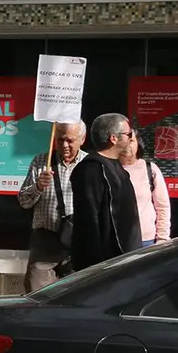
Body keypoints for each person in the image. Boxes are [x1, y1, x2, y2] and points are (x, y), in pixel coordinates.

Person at [17, 121, 87, 291]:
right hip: (45, 243)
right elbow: (24, 202)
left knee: (75, 296)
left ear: (82, 139)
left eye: (70, 140)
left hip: (77, 243)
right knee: (37, 295)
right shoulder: (42, 161)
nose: (64, 145)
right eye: (60, 140)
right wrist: (38, 187)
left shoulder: (89, 163)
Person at [71, 113, 143, 270]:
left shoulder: (117, 167)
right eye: (128, 134)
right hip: (106, 266)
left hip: (125, 259)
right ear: (113, 138)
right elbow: (88, 222)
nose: (132, 138)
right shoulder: (91, 169)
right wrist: (95, 268)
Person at [120, 135, 171, 248]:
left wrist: (162, 238)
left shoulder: (150, 169)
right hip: (118, 240)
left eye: (131, 141)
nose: (127, 145)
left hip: (147, 240)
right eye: (123, 141)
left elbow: (162, 206)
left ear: (139, 143)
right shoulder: (109, 168)